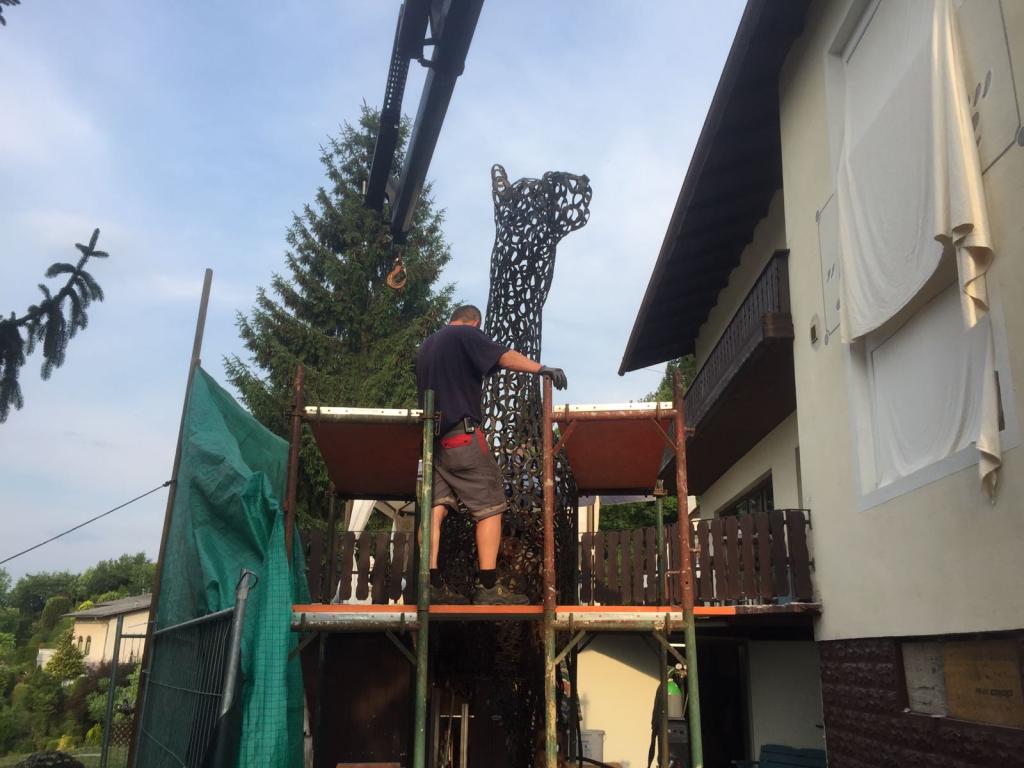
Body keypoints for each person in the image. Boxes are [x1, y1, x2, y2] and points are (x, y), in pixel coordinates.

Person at [416, 304, 567, 605]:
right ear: (474, 323)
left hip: (432, 442)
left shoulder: (427, 346)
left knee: (435, 508)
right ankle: (487, 587)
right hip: (462, 436)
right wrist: (541, 369)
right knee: (490, 506)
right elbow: (503, 356)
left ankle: (429, 584)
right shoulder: (465, 334)